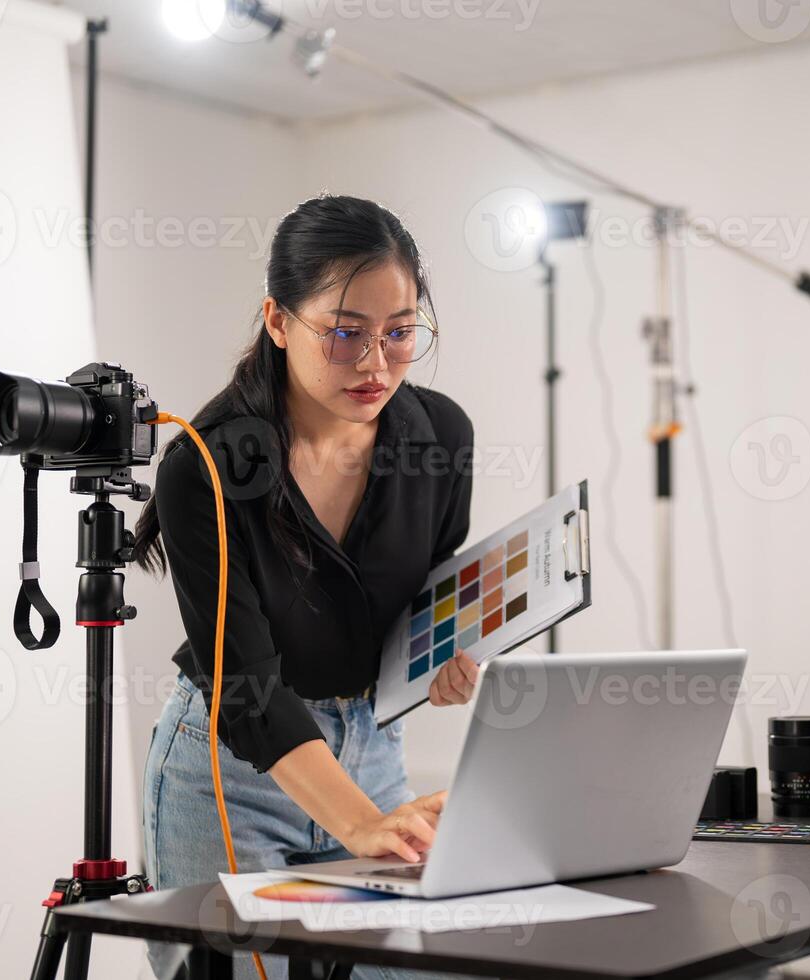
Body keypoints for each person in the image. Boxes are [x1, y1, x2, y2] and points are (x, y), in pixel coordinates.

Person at [132, 194, 482, 980]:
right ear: (279, 321)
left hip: (373, 754)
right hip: (231, 769)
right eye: (345, 333)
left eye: (399, 334)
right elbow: (245, 686)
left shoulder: (441, 435)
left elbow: (424, 592)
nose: (375, 364)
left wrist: (445, 658)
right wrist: (359, 824)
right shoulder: (207, 465)